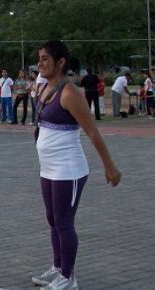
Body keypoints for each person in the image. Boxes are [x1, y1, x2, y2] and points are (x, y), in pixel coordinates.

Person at [31, 40, 121, 290]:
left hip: (67, 169)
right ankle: (58, 268)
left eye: (46, 58)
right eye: (39, 58)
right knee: (52, 219)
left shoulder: (69, 92)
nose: (41, 63)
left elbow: (92, 132)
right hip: (48, 168)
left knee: (63, 222)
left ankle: (68, 278)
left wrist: (109, 166)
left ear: (61, 62)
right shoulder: (44, 89)